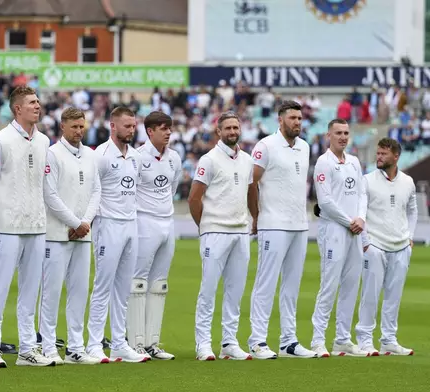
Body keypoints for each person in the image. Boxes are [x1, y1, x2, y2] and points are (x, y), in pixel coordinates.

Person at [0, 85, 54, 367]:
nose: (37, 106)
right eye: (32, 103)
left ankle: (27, 349)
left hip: (36, 225)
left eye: (38, 101)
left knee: (30, 290)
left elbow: (44, 185)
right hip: (8, 226)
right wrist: (5, 208)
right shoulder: (1, 140)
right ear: (17, 109)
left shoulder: (45, 141)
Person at [247, 100, 317, 359]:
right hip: (272, 224)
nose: (297, 122)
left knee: (292, 285)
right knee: (265, 283)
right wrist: (256, 216)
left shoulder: (305, 147)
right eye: (292, 118)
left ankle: (289, 341)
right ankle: (257, 341)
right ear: (280, 120)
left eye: (299, 118)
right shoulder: (265, 146)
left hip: (299, 224)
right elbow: (250, 183)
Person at [38, 107, 102, 365]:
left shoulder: (90, 154)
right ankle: (48, 346)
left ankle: (76, 347)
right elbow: (49, 194)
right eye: (74, 126)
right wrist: (75, 222)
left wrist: (85, 222)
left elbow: (96, 191)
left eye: (81, 126)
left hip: (82, 234)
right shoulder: (52, 154)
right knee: (51, 292)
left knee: (79, 292)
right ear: (62, 126)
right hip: (56, 234)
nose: (79, 131)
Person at [189, 112, 254, 361]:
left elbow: (251, 192)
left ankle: (229, 342)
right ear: (219, 132)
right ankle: (203, 343)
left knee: (235, 291)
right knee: (208, 290)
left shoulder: (247, 160)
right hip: (215, 231)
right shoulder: (209, 160)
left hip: (240, 230)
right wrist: (205, 225)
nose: (232, 132)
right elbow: (194, 198)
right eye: (227, 128)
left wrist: (253, 217)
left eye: (236, 127)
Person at [86, 106, 148, 363]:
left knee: (123, 289)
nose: (131, 130)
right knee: (103, 286)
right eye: (126, 126)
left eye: (133, 126)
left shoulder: (135, 156)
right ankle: (94, 344)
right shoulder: (100, 155)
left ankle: (119, 343)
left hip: (130, 225)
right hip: (107, 224)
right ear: (113, 126)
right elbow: (90, 190)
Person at [310, 119, 369, 357]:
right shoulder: (324, 163)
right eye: (338, 133)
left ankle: (343, 339)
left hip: (355, 229)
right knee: (329, 284)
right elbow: (325, 202)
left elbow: (362, 193)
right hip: (334, 229)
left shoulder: (354, 161)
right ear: (329, 135)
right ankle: (317, 339)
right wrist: (351, 222)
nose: (343, 137)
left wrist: (361, 219)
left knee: (351, 284)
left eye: (346, 133)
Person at [126, 111, 181, 360]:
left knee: (159, 284)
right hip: (144, 221)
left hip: (167, 223)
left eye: (169, 128)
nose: (168, 132)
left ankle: (152, 342)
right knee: (138, 282)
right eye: (163, 128)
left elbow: (172, 188)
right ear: (150, 131)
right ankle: (135, 342)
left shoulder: (174, 158)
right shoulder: (137, 157)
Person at [355, 138, 417, 356]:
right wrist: (365, 242)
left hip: (400, 245)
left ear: (396, 156)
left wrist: (410, 238)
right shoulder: (367, 180)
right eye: (378, 153)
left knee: (394, 296)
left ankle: (389, 339)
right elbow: (361, 211)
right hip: (376, 245)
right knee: (370, 294)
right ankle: (364, 339)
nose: (378, 157)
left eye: (383, 154)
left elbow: (412, 210)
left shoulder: (408, 181)